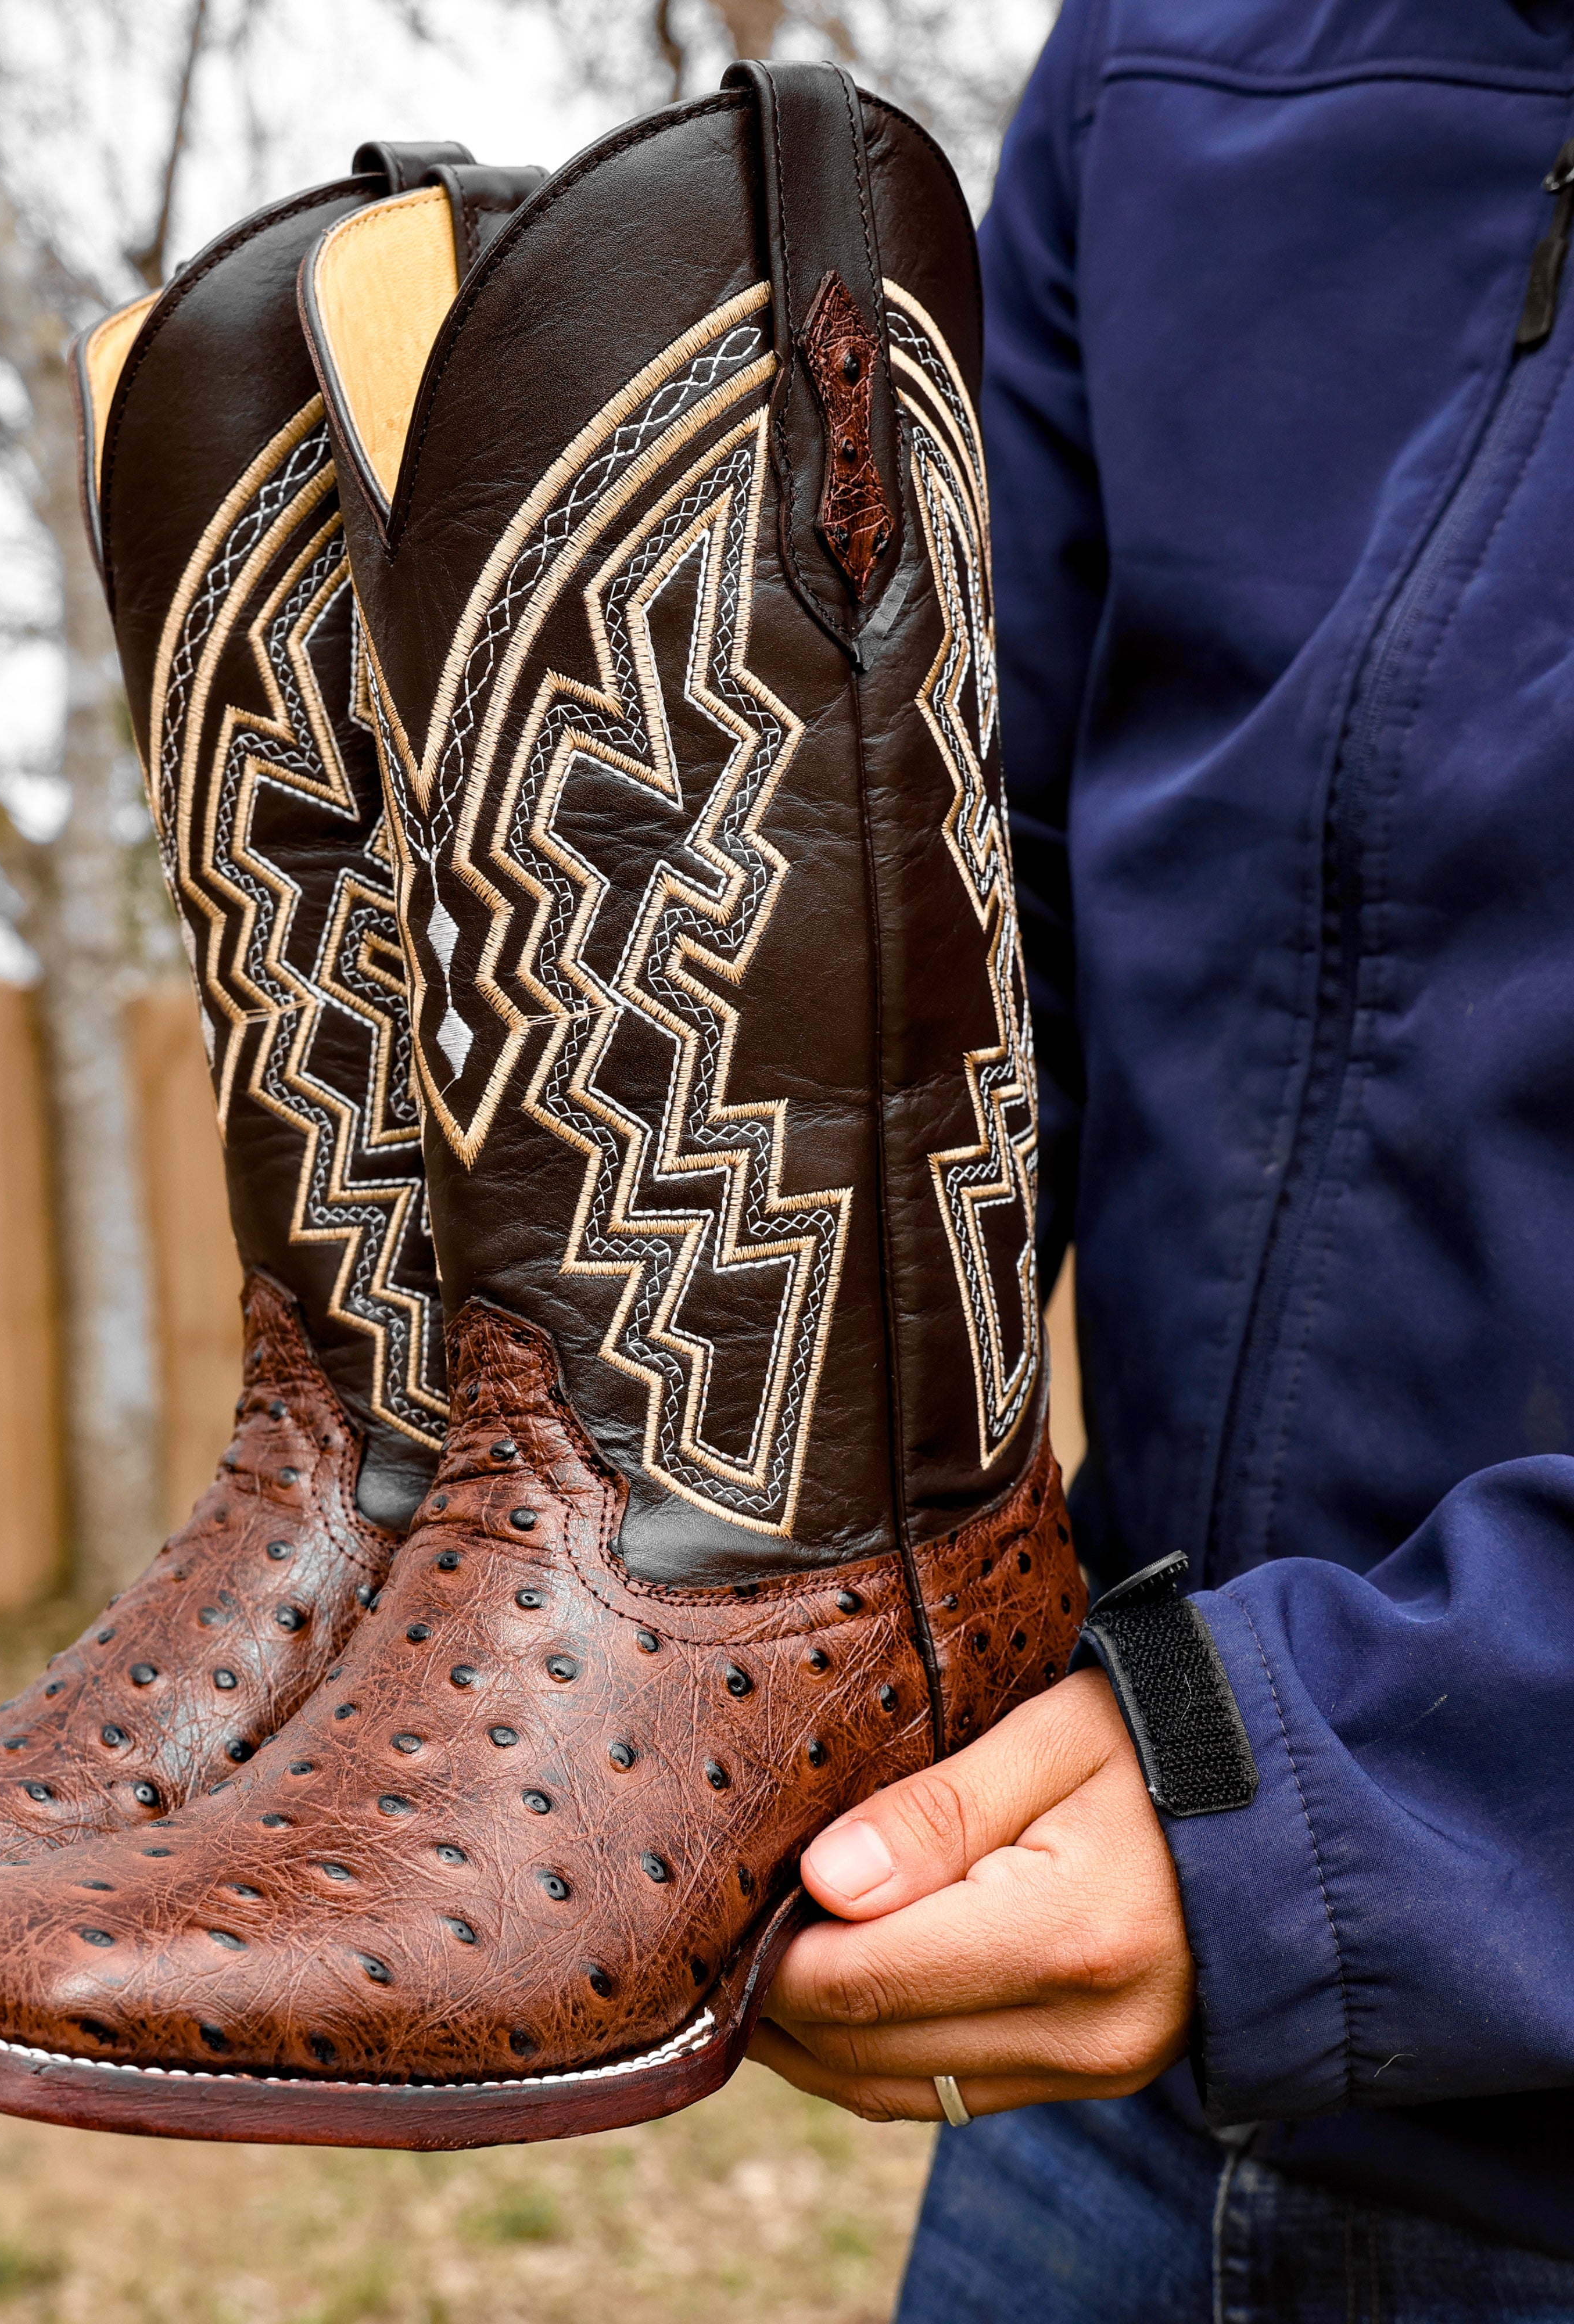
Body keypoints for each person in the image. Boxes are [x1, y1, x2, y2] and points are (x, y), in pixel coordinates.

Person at [752, 3, 1574, 2314]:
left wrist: (1360, 1796)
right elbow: (948, 916)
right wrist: (625, 1545)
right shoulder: (1180, 54)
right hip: (1128, 2074)